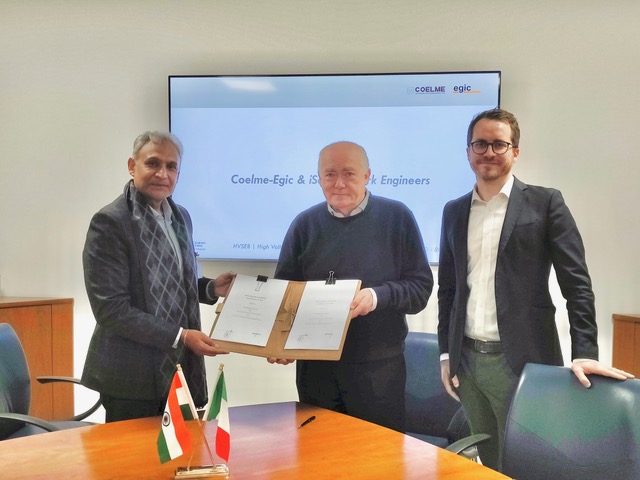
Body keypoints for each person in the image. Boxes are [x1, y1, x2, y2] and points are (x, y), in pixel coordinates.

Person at [437, 108, 634, 471]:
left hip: (522, 360)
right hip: (467, 361)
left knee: (530, 461)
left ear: (515, 151)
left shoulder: (546, 202)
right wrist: (446, 353)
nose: (489, 152)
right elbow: (447, 290)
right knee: (489, 460)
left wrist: (585, 351)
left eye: (499, 144)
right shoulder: (454, 211)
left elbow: (576, 284)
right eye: (480, 144)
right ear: (468, 151)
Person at [272, 141, 433, 432]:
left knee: (378, 455)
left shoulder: (397, 218)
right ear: (318, 178)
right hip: (315, 372)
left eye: (349, 173)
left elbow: (420, 289)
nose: (339, 183)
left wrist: (376, 296)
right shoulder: (303, 225)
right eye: (330, 174)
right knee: (318, 452)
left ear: (367, 176)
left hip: (378, 371)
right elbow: (284, 296)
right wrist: (279, 343)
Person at [82, 131, 234, 422]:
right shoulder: (111, 222)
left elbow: (176, 283)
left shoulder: (180, 217)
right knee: (136, 453)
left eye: (171, 166)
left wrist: (212, 288)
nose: (162, 174)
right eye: (153, 163)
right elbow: (111, 309)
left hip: (181, 371)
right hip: (132, 380)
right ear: (132, 166)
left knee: (186, 449)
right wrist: (181, 336)